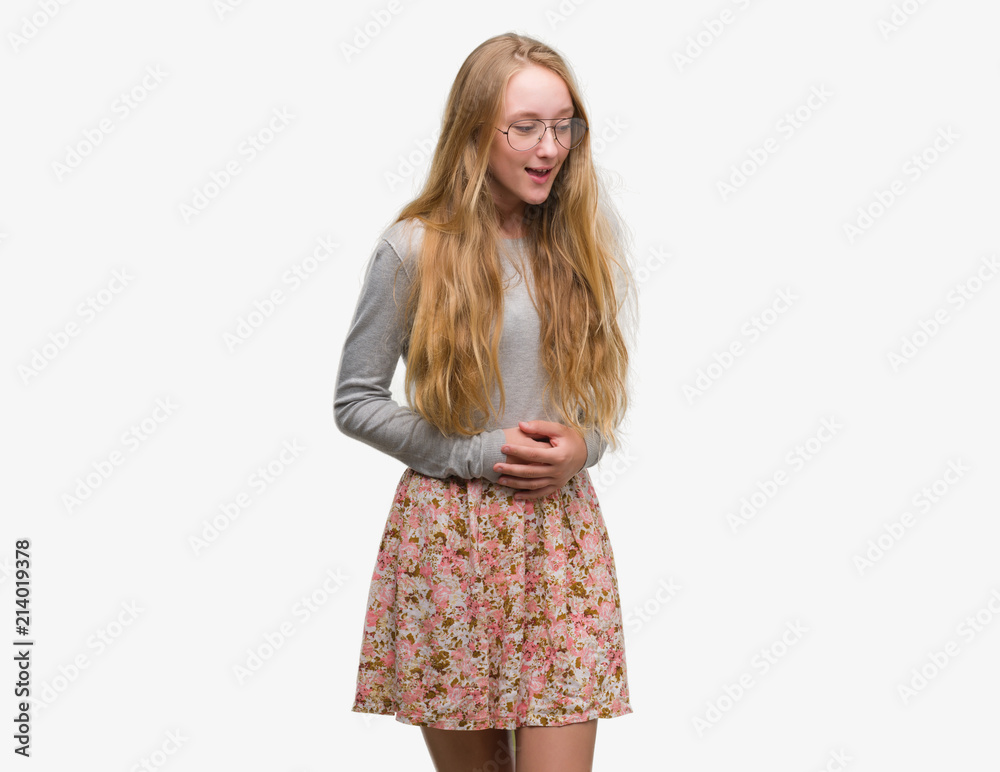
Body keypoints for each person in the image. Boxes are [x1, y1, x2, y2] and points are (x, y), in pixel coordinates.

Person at [334, 31, 638, 772]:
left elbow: (596, 401)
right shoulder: (414, 248)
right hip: (451, 540)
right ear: (475, 131)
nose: (550, 148)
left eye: (563, 125)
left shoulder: (575, 241)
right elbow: (355, 400)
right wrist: (474, 452)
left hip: (560, 541)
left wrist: (585, 447)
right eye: (525, 127)